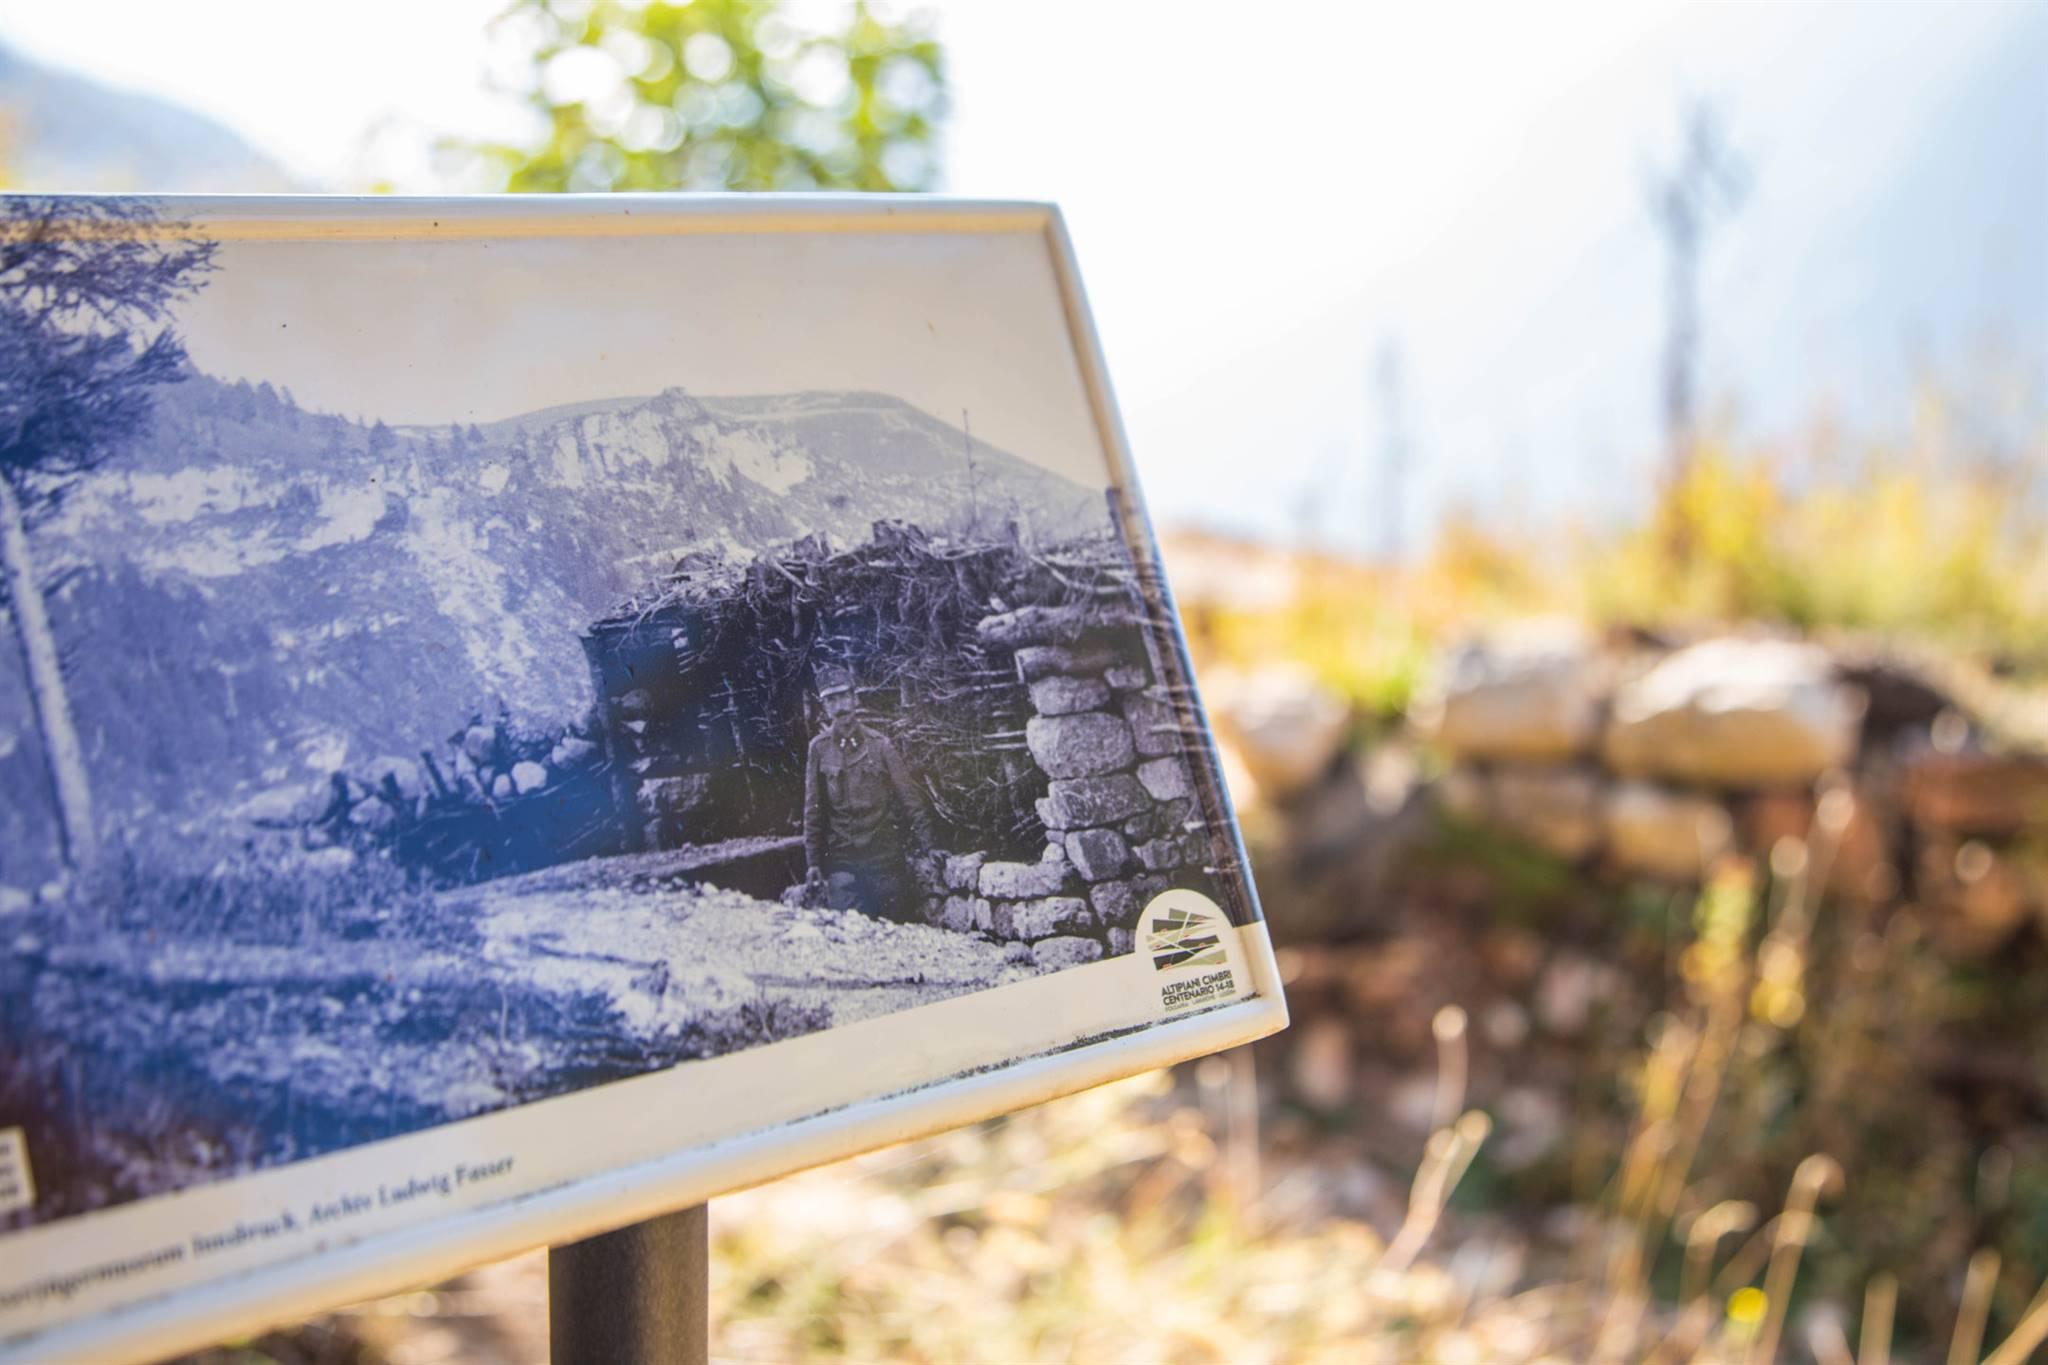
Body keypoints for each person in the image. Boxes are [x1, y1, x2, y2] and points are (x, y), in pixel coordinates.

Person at [802, 664, 936, 921]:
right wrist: (814, 864)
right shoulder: (818, 750)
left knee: (897, 926)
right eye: (831, 700)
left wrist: (930, 846)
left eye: (843, 697)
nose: (839, 706)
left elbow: (909, 798)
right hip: (843, 863)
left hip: (884, 860)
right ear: (824, 707)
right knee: (850, 930)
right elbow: (812, 810)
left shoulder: (880, 745)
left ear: (855, 698)